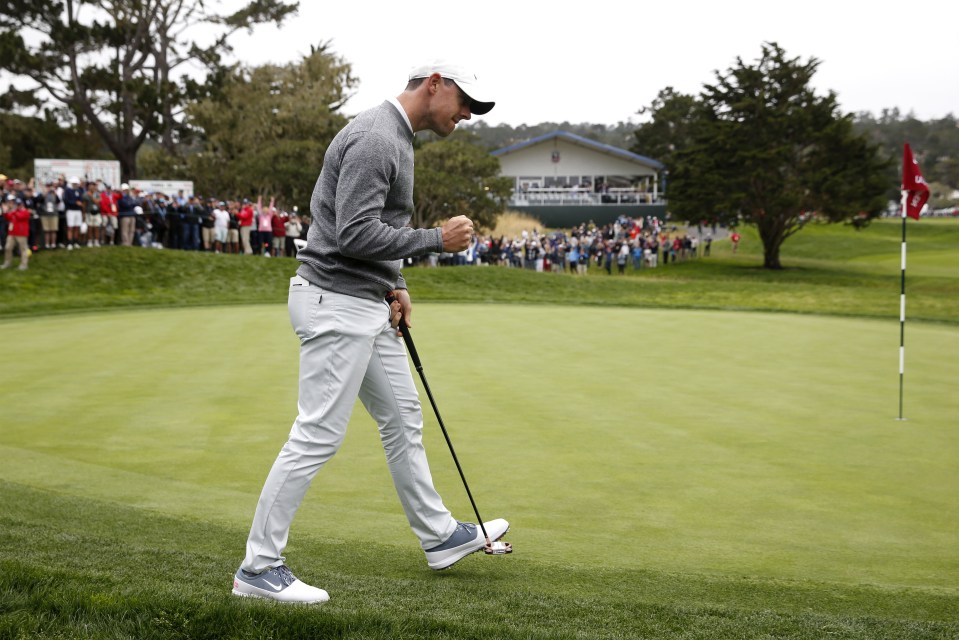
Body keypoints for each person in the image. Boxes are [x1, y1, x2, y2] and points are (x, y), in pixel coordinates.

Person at [232, 59, 508, 605]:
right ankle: (258, 567)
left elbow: (370, 226)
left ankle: (440, 537)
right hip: (335, 303)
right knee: (316, 436)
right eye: (466, 104)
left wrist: (396, 281)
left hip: (364, 301)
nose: (469, 116)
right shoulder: (378, 137)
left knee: (403, 415)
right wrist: (434, 239)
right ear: (435, 85)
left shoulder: (398, 138)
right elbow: (355, 233)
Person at [2, 195, 31, 270]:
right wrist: (5, 212)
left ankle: (24, 265)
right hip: (12, 233)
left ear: (22, 204)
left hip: (21, 233)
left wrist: (13, 210)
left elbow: (20, 217)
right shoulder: (15, 211)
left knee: (23, 249)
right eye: (17, 204)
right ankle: (7, 263)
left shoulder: (25, 212)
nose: (18, 206)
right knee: (8, 248)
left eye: (19, 204)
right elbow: (8, 217)